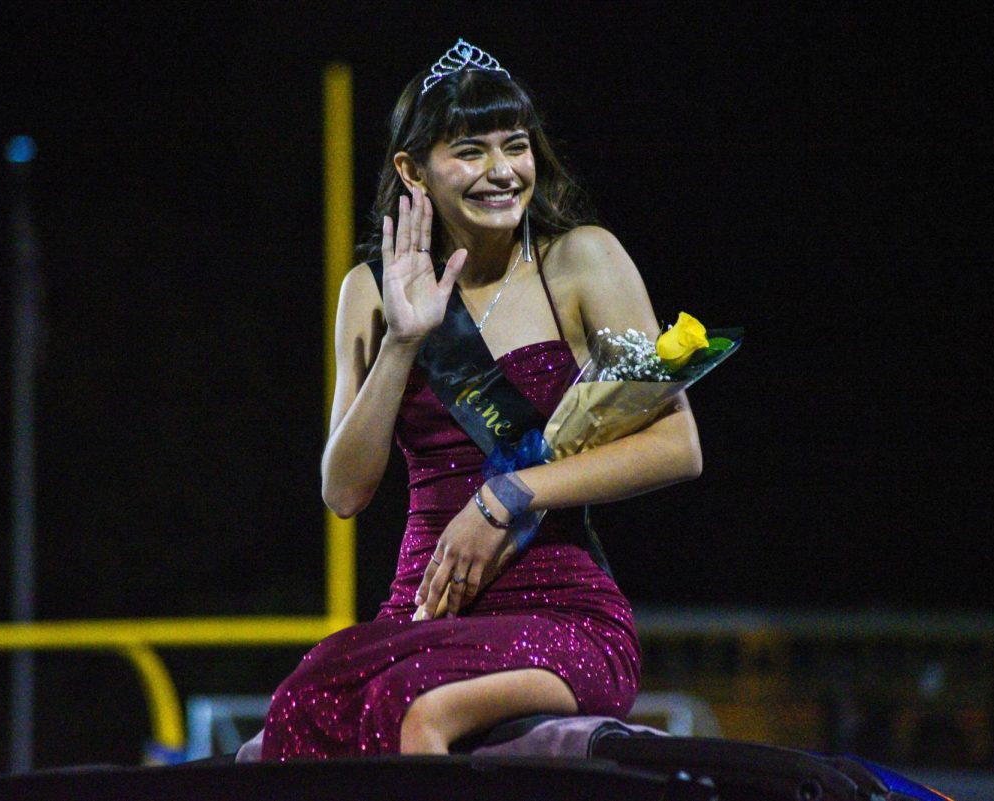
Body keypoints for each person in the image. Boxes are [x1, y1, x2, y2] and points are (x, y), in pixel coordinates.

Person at [261, 39, 702, 759]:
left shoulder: (583, 259)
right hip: (427, 604)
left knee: (419, 712)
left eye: (516, 146)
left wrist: (509, 495)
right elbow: (343, 491)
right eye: (469, 150)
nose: (501, 171)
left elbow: (679, 446)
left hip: (562, 608)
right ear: (413, 170)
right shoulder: (371, 291)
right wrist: (403, 343)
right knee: (303, 704)